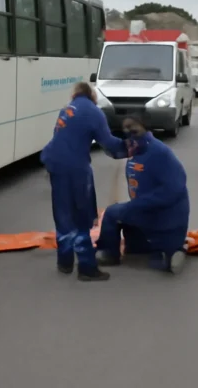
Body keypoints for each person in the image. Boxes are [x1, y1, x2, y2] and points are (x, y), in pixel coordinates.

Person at [40, 82, 129, 281]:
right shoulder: (93, 112)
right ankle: (87, 267)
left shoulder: (67, 109)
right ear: (92, 96)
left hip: (54, 163)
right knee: (82, 215)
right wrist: (129, 147)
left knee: (63, 213)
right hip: (75, 168)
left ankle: (64, 262)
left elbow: (59, 139)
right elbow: (109, 144)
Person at [95, 115, 189, 274]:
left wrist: (137, 205)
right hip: (146, 211)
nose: (130, 137)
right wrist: (96, 132)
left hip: (165, 214)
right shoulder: (136, 148)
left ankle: (111, 254)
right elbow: (114, 148)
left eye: (134, 131)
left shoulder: (159, 153)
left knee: (112, 212)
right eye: (126, 133)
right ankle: (143, 245)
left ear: (146, 129)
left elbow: (174, 189)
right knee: (129, 235)